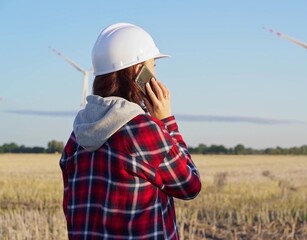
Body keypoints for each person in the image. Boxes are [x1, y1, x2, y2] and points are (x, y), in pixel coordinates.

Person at [59, 23, 202, 240]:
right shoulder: (142, 130)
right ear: (138, 71)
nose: (155, 76)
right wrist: (166, 121)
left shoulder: (76, 136)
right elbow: (189, 185)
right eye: (153, 66)